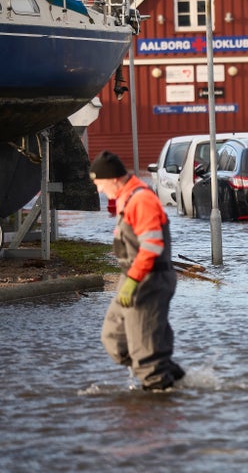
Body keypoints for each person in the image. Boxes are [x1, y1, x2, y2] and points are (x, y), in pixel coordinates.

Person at [89, 150, 184, 391]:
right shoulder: (126, 197)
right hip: (132, 278)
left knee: (145, 354)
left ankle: (157, 389)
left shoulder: (141, 199)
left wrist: (132, 281)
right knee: (114, 339)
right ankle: (168, 376)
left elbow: (151, 246)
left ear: (113, 179)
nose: (99, 190)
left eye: (99, 183)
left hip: (149, 280)